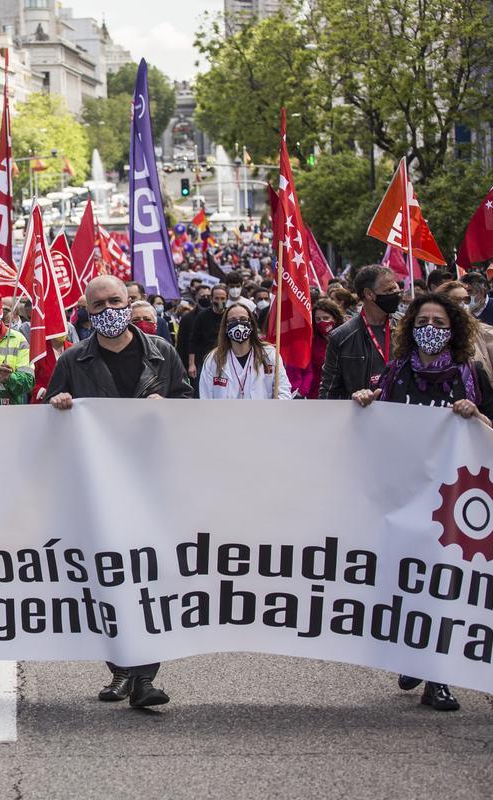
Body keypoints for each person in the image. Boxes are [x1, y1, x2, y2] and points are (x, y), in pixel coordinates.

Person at [351, 292, 493, 712]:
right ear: (410, 328)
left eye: (439, 321)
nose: (431, 328)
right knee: (407, 584)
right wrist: (366, 402)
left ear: (453, 328)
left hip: (450, 501)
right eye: (423, 321)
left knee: (441, 588)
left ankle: (438, 680)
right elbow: (378, 423)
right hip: (403, 495)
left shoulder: (470, 374)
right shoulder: (395, 371)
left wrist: (477, 416)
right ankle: (411, 654)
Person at [47, 275, 192, 709]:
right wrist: (58, 406)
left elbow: (188, 400)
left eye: (116, 300)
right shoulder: (74, 359)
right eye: (98, 305)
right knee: (104, 579)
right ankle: (120, 671)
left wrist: (169, 405)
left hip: (150, 484)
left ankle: (146, 677)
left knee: (148, 578)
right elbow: (49, 416)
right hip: (97, 487)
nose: (108, 309)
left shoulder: (161, 352)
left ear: (130, 303)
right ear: (86, 312)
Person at [319, 265, 400, 399]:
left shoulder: (405, 326)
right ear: (369, 294)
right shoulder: (341, 336)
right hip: (361, 415)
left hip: (400, 413)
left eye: (395, 288)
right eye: (389, 290)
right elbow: (328, 391)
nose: (396, 294)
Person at [197, 302, 291, 399]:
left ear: (251, 324)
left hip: (262, 413)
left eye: (243, 319)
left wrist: (273, 412)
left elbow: (283, 391)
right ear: (225, 327)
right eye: (232, 320)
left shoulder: (269, 354)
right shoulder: (213, 359)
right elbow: (205, 397)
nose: (239, 324)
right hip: (225, 413)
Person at [435, 281, 493, 380]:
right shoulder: (431, 334)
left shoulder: (482, 331)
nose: (462, 304)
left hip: (478, 394)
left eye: (466, 300)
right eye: (456, 300)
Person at [298, 299, 345, 399]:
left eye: (326, 318)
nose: (322, 322)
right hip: (316, 394)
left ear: (335, 318)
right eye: (318, 319)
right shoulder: (311, 342)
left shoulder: (345, 339)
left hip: (341, 395)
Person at [186, 284, 228, 389]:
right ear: (211, 298)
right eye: (217, 298)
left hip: (226, 360)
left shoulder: (229, 315)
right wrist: (192, 364)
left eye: (222, 298)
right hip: (204, 361)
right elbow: (193, 341)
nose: (219, 301)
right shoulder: (202, 316)